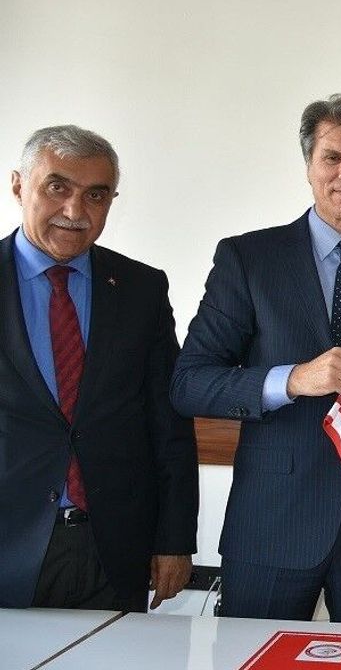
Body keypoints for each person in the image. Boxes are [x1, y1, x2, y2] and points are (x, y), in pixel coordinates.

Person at [171, 95, 341, 622]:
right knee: (251, 655)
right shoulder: (249, 258)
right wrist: (293, 379)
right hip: (275, 521)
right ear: (308, 165)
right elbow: (190, 383)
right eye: (332, 157)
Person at [0, 125, 197, 611]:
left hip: (113, 549)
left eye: (96, 195)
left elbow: (168, 423)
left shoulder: (141, 289)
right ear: (19, 185)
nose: (75, 211)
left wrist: (174, 539)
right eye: (57, 187)